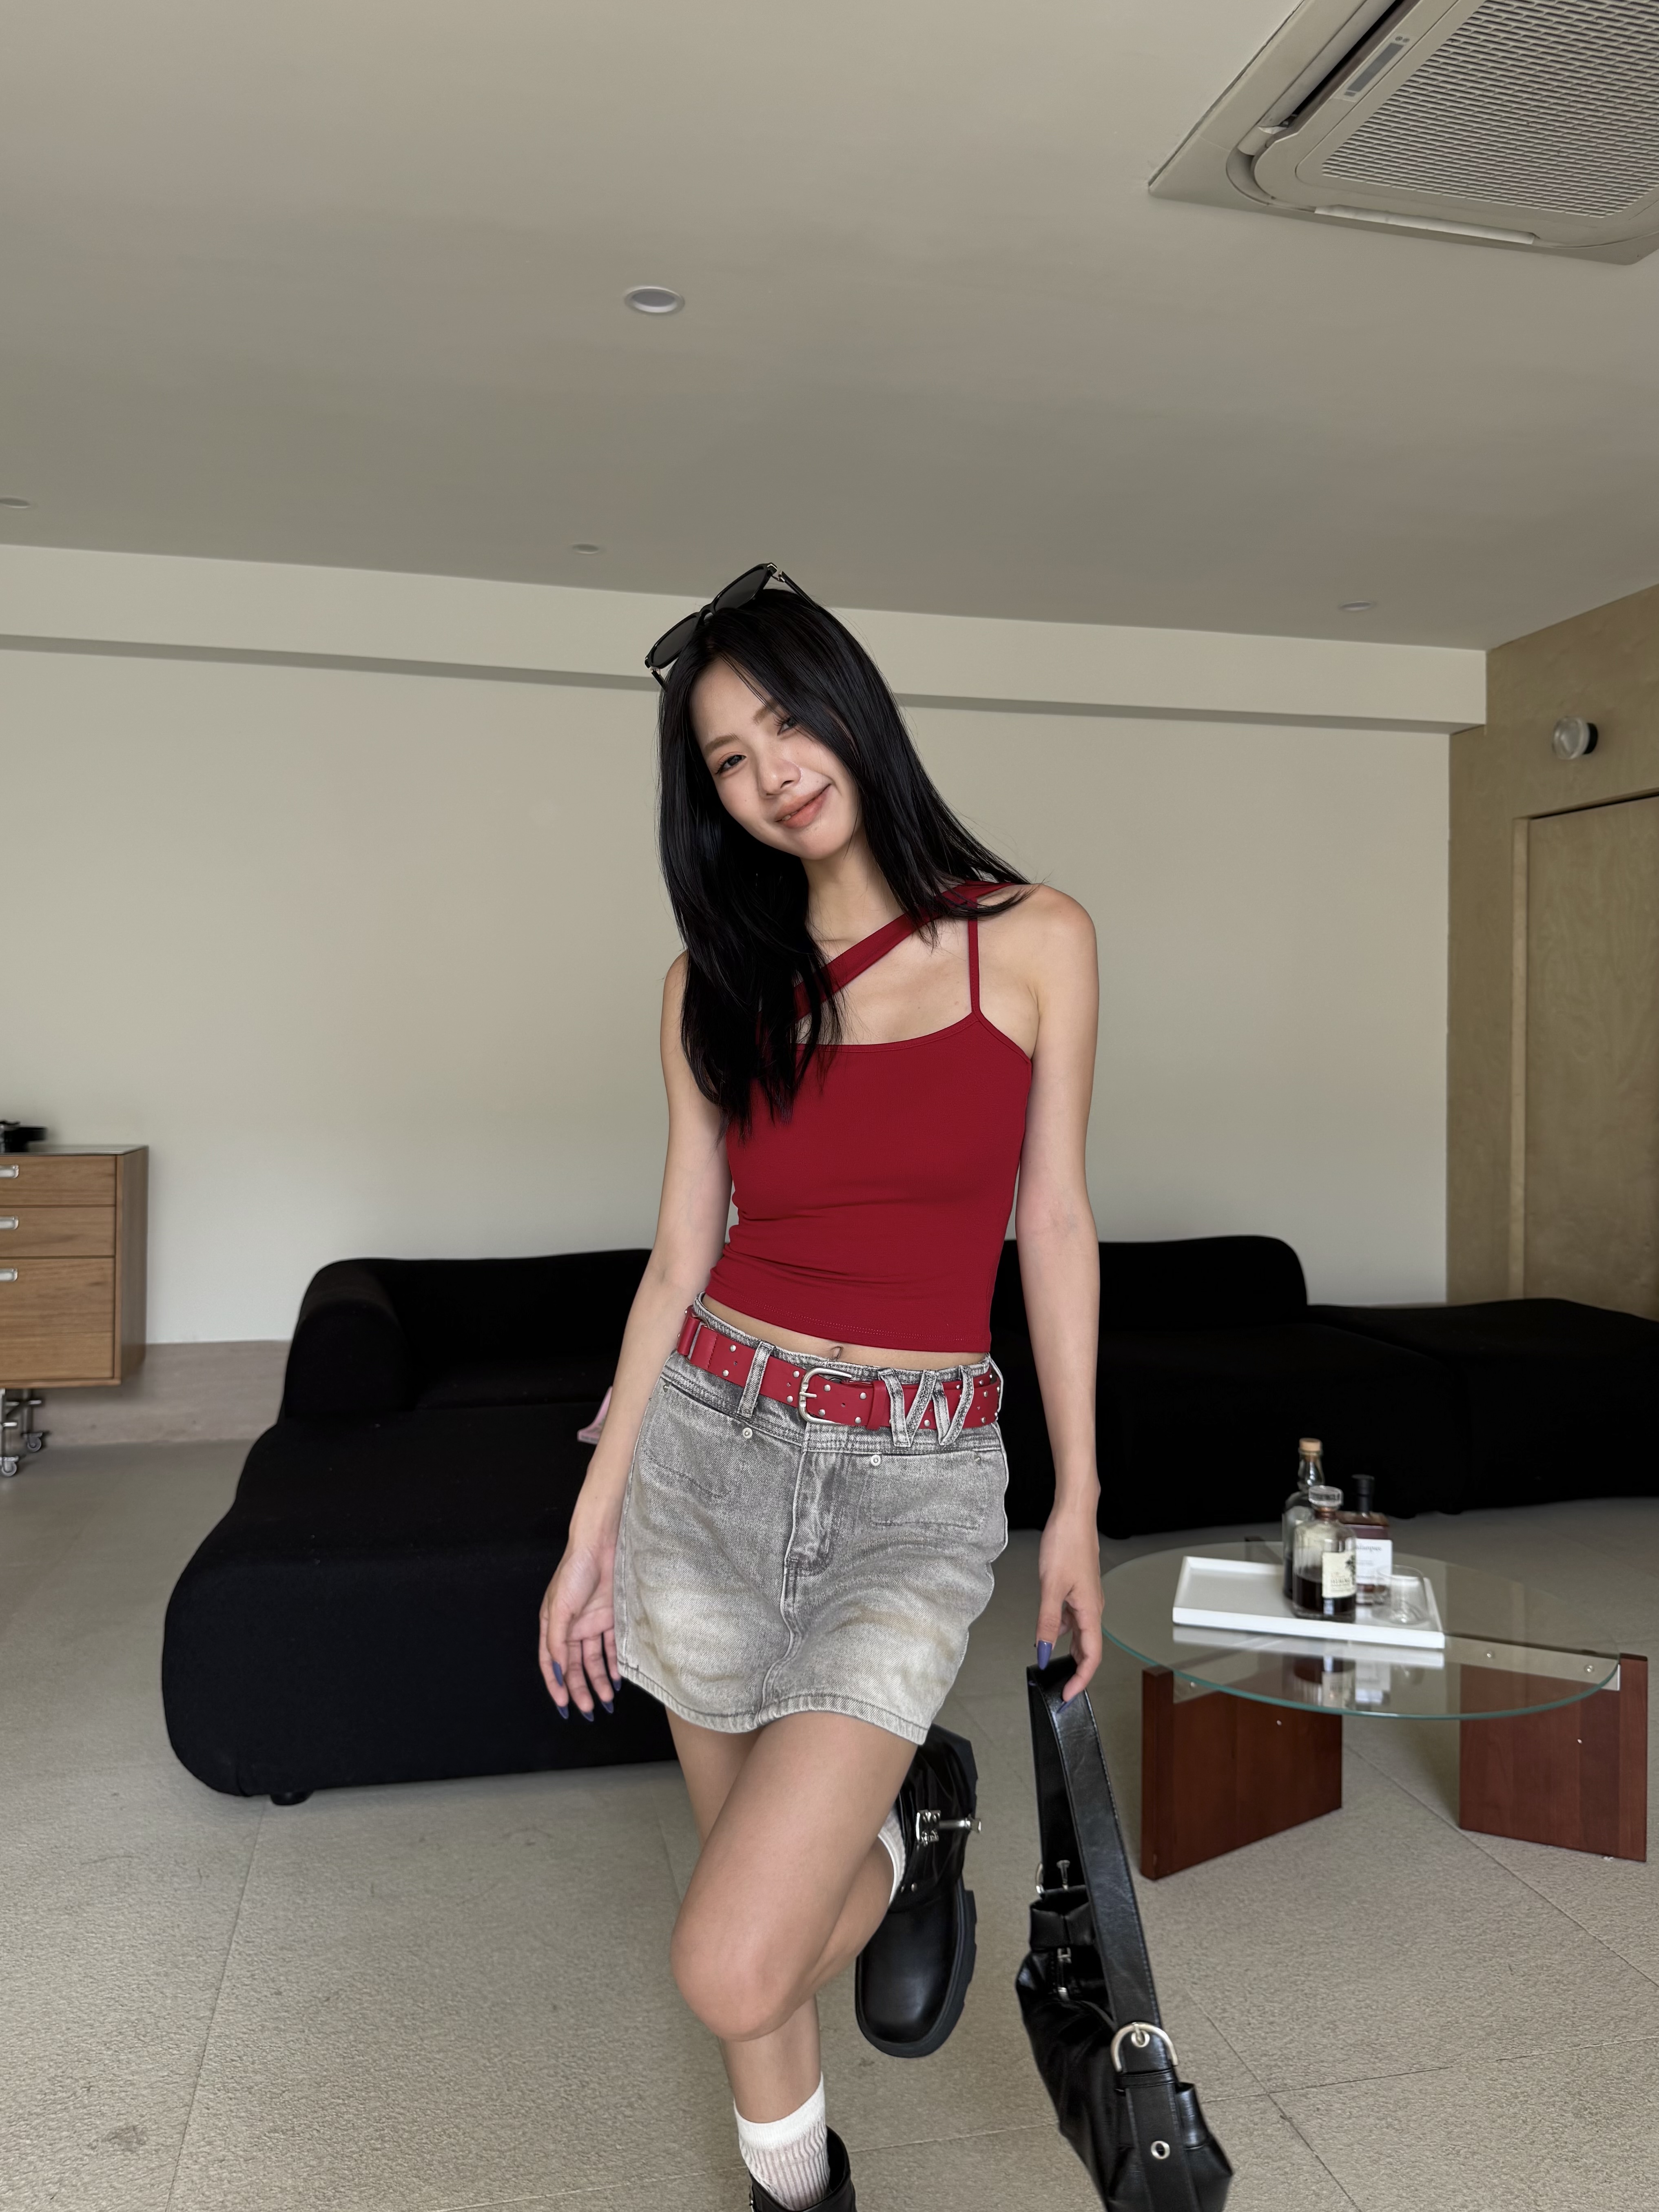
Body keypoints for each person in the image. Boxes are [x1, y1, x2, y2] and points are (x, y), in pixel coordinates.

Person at [538, 567, 1103, 2211]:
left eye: (785, 720)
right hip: (709, 1456)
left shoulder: (1033, 940)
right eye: (725, 757)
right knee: (757, 1959)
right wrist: (590, 1529)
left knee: (734, 1951)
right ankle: (799, 2195)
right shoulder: (711, 986)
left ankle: (911, 1834)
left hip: (914, 1481)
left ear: (854, 709)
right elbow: (676, 1261)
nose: (769, 770)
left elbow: (1056, 1224)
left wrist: (1077, 1499)